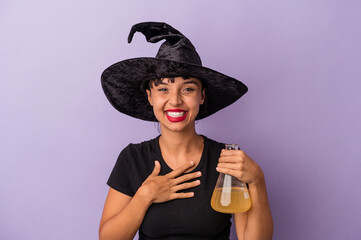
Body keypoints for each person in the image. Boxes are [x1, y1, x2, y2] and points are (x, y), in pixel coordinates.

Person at [99, 22, 273, 240]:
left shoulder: (227, 160)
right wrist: (145, 195)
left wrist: (258, 182)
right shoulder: (132, 158)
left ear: (201, 95)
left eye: (188, 89)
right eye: (163, 89)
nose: (175, 100)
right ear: (150, 96)